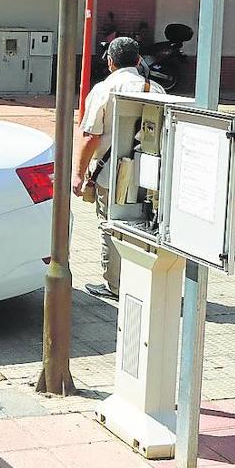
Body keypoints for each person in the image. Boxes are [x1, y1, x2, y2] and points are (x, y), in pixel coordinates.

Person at [73, 37, 163, 300]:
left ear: (110, 62)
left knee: (110, 225)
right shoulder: (155, 89)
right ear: (137, 61)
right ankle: (146, 281)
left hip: (110, 173)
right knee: (144, 224)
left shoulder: (103, 90)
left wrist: (78, 175)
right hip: (150, 173)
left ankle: (115, 286)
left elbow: (91, 136)